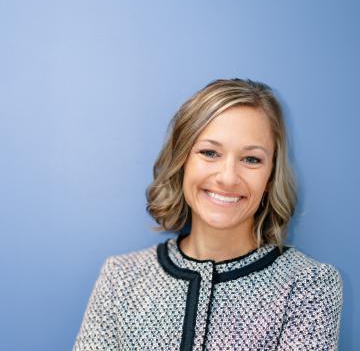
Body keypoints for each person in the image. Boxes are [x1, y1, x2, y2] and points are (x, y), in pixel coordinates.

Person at [73, 79, 343, 350]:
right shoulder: (120, 278)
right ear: (182, 162)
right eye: (209, 152)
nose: (227, 178)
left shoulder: (308, 285)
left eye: (251, 159)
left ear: (271, 176)